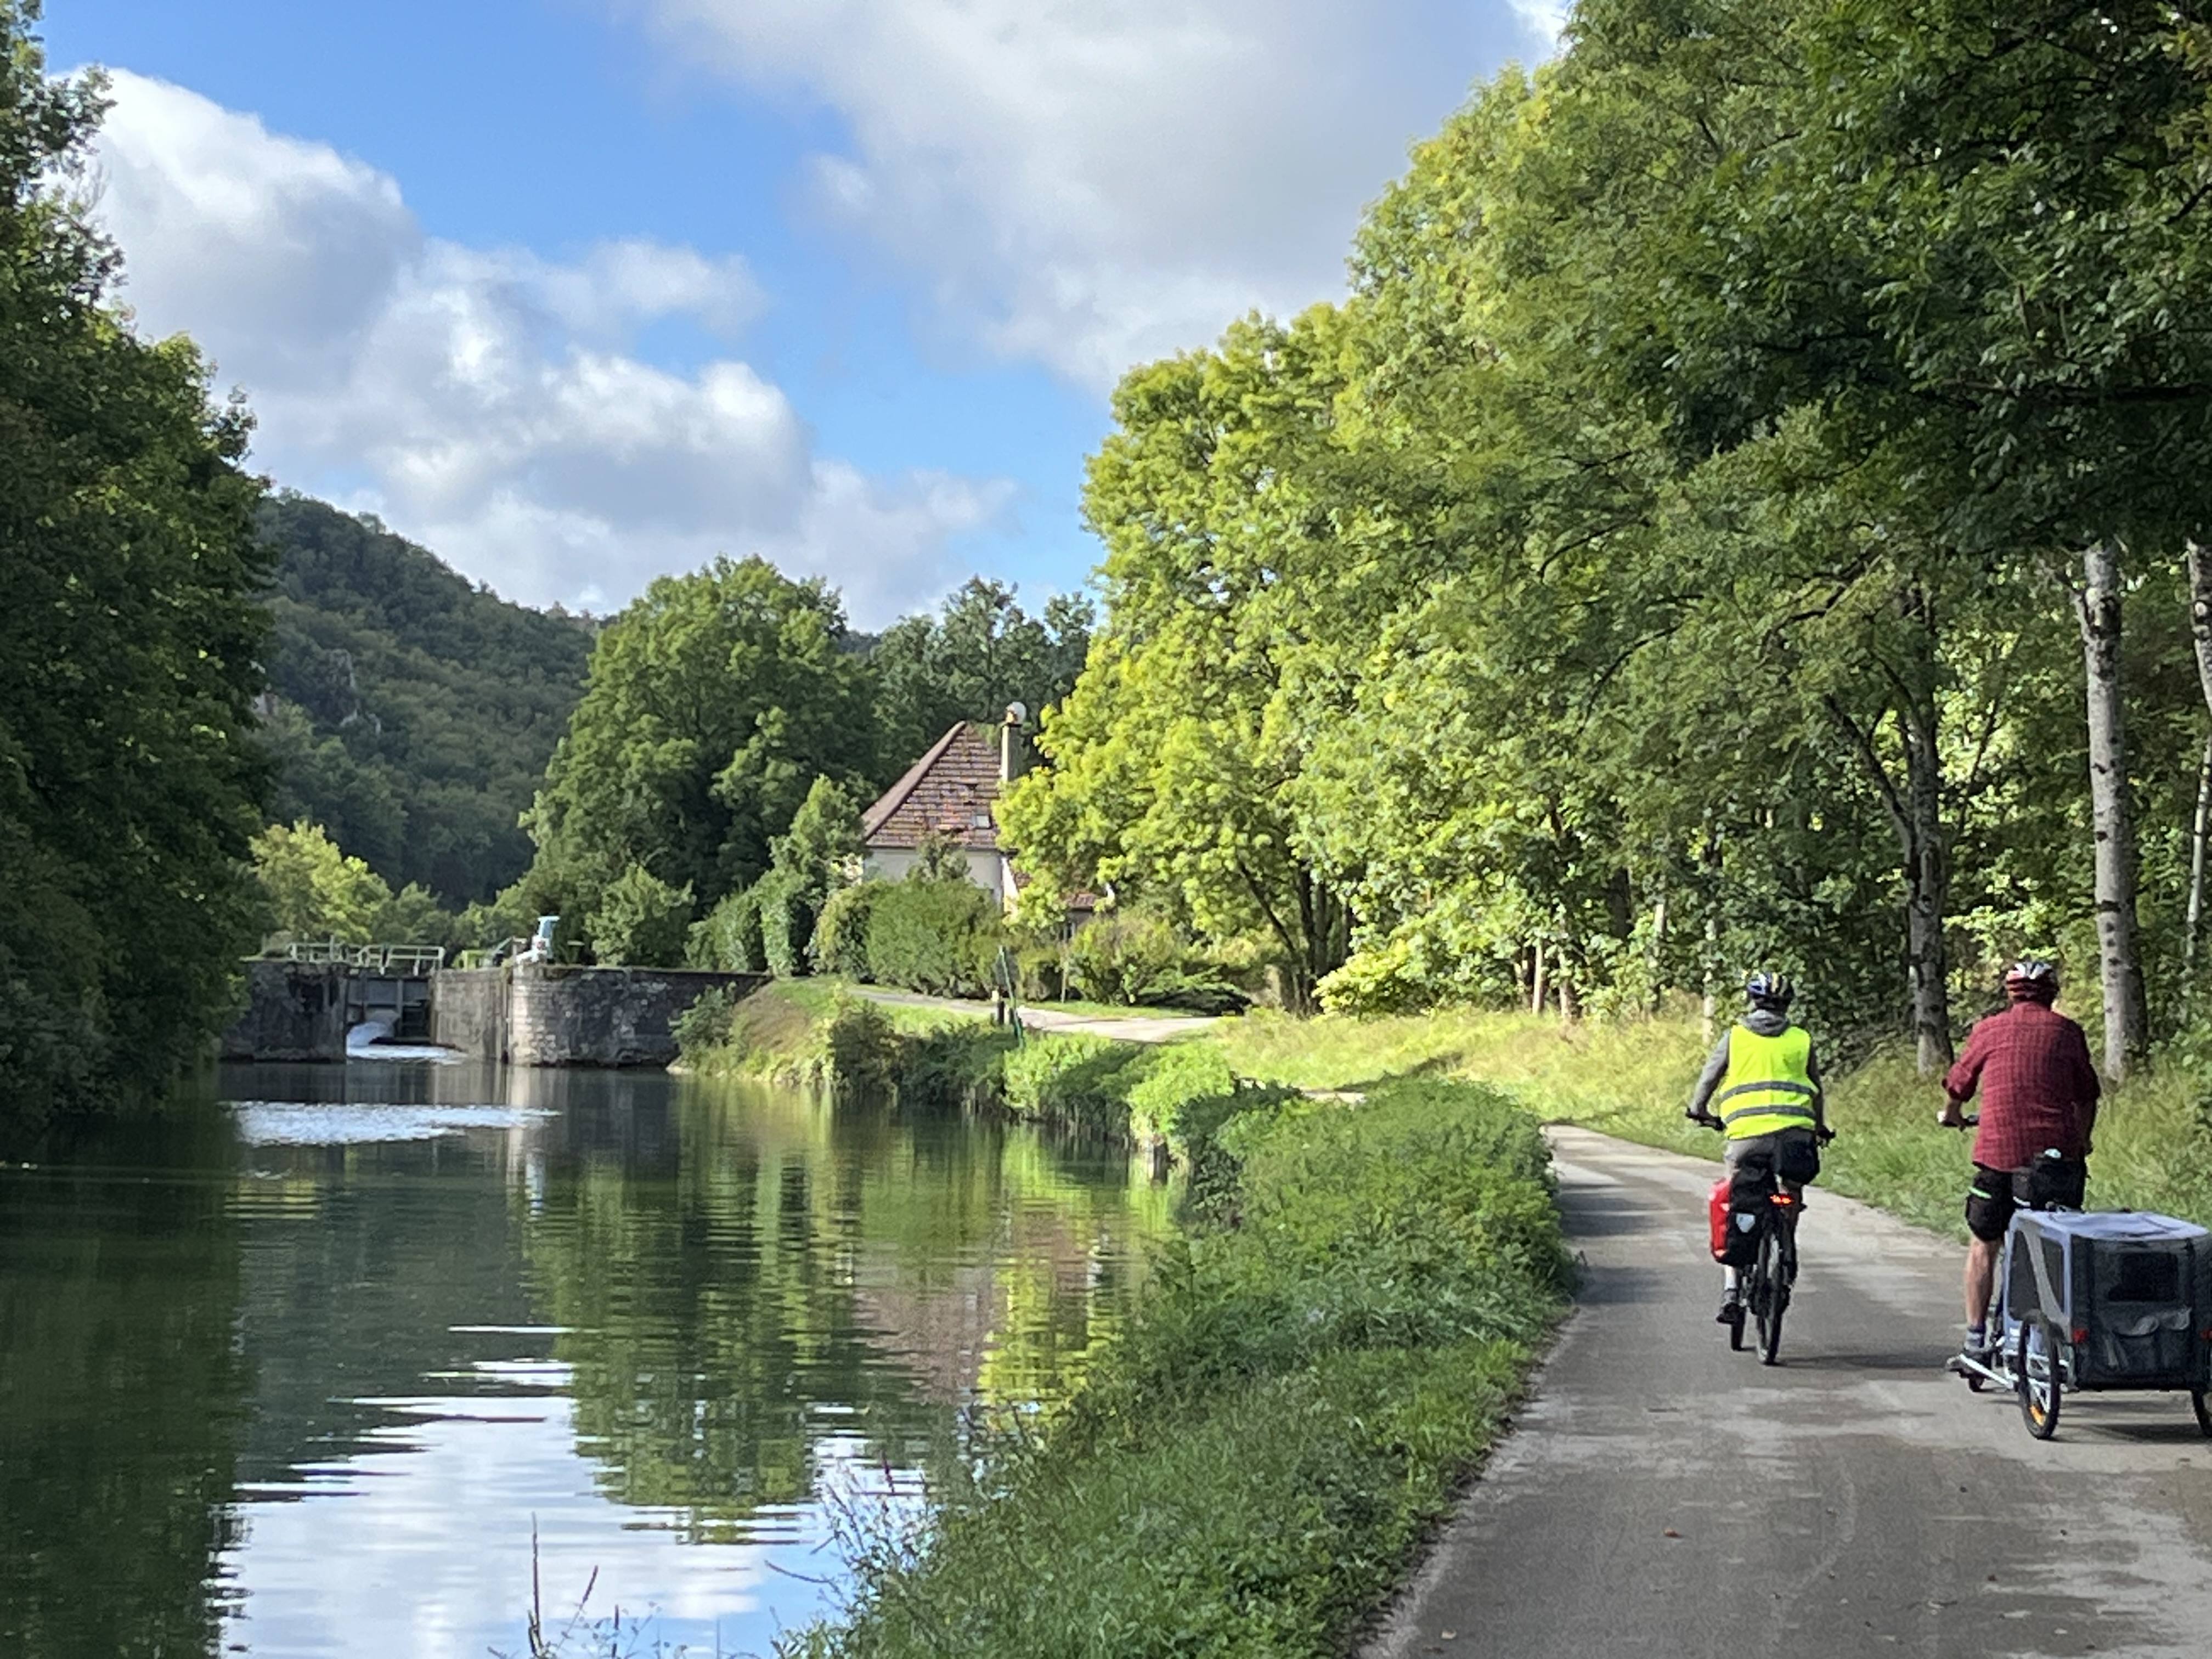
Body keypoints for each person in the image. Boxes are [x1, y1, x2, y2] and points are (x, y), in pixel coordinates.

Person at [1937, 958, 2100, 1365]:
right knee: (2055, 1244)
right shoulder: (2067, 1032)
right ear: (2052, 994)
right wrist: (2082, 1140)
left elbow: (1959, 1084)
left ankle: (1975, 1340)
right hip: (2056, 1163)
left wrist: (1953, 1114)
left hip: (1999, 1156)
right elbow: (2087, 1096)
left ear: (2010, 994)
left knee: (1984, 1245)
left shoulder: (1989, 1029)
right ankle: (2054, 1340)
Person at [1686, 972, 1830, 1325]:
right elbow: (1815, 1089)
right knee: (1789, 1192)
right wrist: (1819, 1128)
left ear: (1752, 1001)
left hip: (1747, 1138)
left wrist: (1700, 1111)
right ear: (1787, 1005)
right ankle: (1786, 1249)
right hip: (1795, 1137)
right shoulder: (1801, 1039)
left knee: (1738, 1201)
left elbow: (1709, 1079)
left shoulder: (1736, 1036)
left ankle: (1732, 1291)